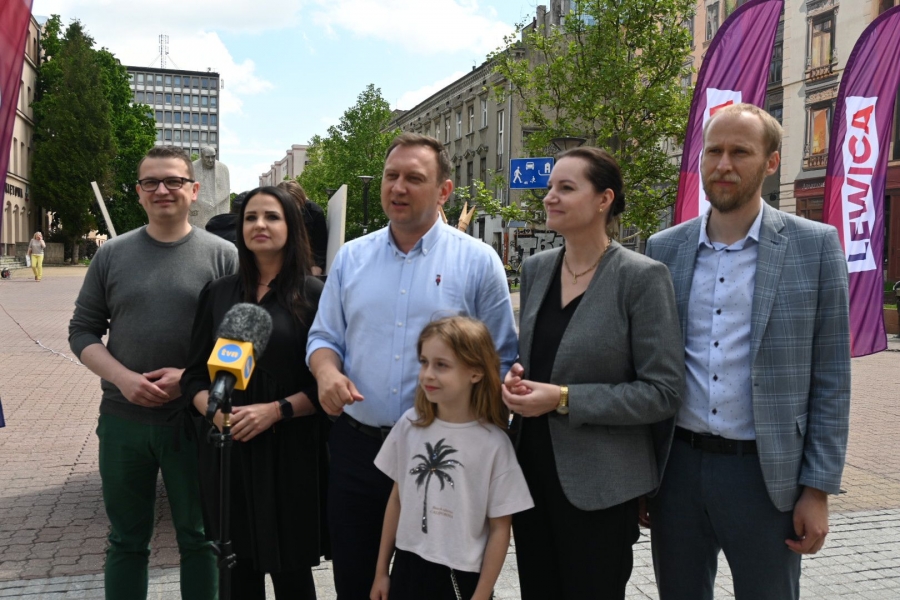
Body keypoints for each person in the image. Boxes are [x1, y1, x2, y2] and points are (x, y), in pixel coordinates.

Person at [644, 103, 851, 600]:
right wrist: (642, 475)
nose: (723, 164)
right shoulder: (664, 249)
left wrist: (818, 489)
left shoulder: (815, 246)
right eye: (713, 151)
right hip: (677, 472)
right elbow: (648, 365)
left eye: (740, 152)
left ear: (771, 162)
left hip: (766, 476)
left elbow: (831, 378)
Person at [307, 132, 518, 599]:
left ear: (444, 190)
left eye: (414, 178)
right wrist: (326, 373)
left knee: (432, 588)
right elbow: (323, 338)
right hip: (359, 450)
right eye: (391, 176)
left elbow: (501, 357)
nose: (397, 187)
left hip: (441, 454)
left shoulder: (478, 262)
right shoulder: (351, 258)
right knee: (357, 582)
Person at [501, 146, 684, 600]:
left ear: (604, 199)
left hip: (601, 487)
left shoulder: (642, 277)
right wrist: (516, 381)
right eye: (550, 187)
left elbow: (662, 392)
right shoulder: (537, 269)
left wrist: (563, 398)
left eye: (566, 188)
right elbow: (539, 359)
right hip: (532, 473)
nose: (550, 197)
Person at [68, 145, 237, 600]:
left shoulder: (224, 256)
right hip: (123, 420)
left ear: (194, 190)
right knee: (126, 539)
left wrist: (191, 377)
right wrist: (122, 377)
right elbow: (82, 331)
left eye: (173, 181)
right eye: (151, 182)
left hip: (194, 421)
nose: (162, 190)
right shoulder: (112, 255)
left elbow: (241, 341)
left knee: (200, 538)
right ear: (139, 192)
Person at [182, 186, 326, 599]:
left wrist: (277, 410)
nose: (259, 225)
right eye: (250, 217)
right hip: (229, 457)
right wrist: (213, 411)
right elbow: (193, 377)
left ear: (292, 226)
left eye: (272, 216)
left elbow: (328, 384)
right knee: (236, 575)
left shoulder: (316, 295)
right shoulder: (218, 293)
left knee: (293, 578)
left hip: (290, 453)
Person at [370, 317, 533, 600]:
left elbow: (500, 528)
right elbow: (396, 499)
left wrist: (481, 595)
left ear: (476, 372)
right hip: (407, 568)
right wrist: (381, 572)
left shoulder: (494, 444)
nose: (427, 374)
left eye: (441, 365)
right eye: (424, 362)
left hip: (462, 576)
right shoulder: (410, 425)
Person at [277, 180, 328, 275]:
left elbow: (319, 249)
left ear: (301, 200)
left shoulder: (315, 212)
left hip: (306, 264)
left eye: (294, 204)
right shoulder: (271, 214)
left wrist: (315, 274)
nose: (290, 209)